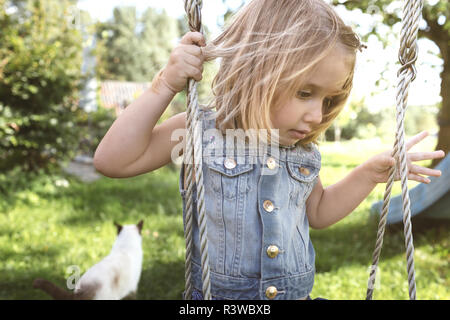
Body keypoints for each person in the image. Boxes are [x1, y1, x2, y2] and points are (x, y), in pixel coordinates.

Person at [94, 0, 445, 300]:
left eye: (329, 98)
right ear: (255, 71)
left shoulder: (303, 150)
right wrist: (165, 85)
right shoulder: (200, 131)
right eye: (305, 93)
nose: (317, 114)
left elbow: (318, 212)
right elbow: (113, 160)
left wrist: (369, 175)